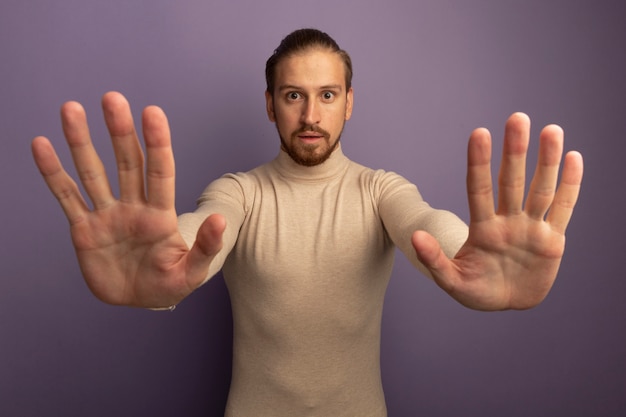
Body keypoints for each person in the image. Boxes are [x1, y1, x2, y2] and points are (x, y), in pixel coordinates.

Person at [31, 28, 583, 417]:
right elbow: (200, 231)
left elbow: (424, 222)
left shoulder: (380, 189)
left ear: (349, 104)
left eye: (327, 95)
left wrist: (467, 255)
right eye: (294, 95)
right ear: (271, 105)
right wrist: (159, 264)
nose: (311, 115)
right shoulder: (238, 192)